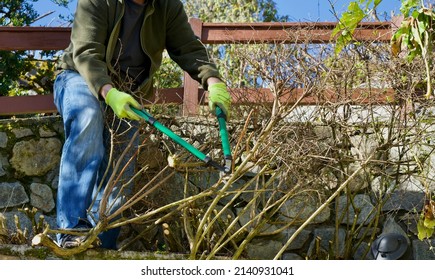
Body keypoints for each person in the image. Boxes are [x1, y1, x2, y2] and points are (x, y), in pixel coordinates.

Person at [53, 0, 231, 249]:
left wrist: (213, 82)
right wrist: (108, 92)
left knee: (123, 159)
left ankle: (102, 242)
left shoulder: (168, 6)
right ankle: (71, 231)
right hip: (78, 77)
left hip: (127, 90)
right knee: (88, 117)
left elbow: (188, 48)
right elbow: (86, 53)